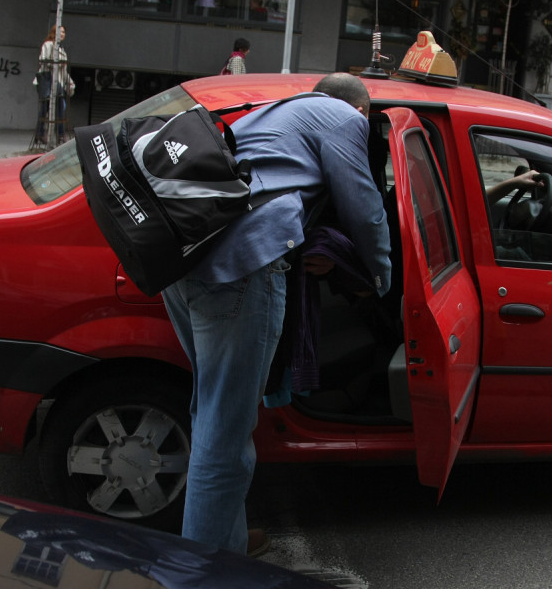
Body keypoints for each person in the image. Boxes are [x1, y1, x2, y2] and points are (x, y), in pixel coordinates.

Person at [160, 73, 392, 556]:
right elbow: (364, 205)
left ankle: (228, 541)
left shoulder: (275, 112)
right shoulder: (345, 117)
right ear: (360, 110)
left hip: (183, 265)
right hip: (244, 268)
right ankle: (203, 575)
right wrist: (380, 274)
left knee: (213, 413)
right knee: (226, 433)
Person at [34, 25, 75, 146]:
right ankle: (53, 134)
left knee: (58, 107)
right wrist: (56, 64)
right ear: (54, 32)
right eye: (60, 32)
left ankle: (57, 134)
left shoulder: (61, 49)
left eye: (63, 32)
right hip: (48, 80)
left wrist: (70, 82)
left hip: (58, 81)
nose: (62, 34)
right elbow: (43, 60)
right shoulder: (48, 45)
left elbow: (64, 71)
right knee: (48, 107)